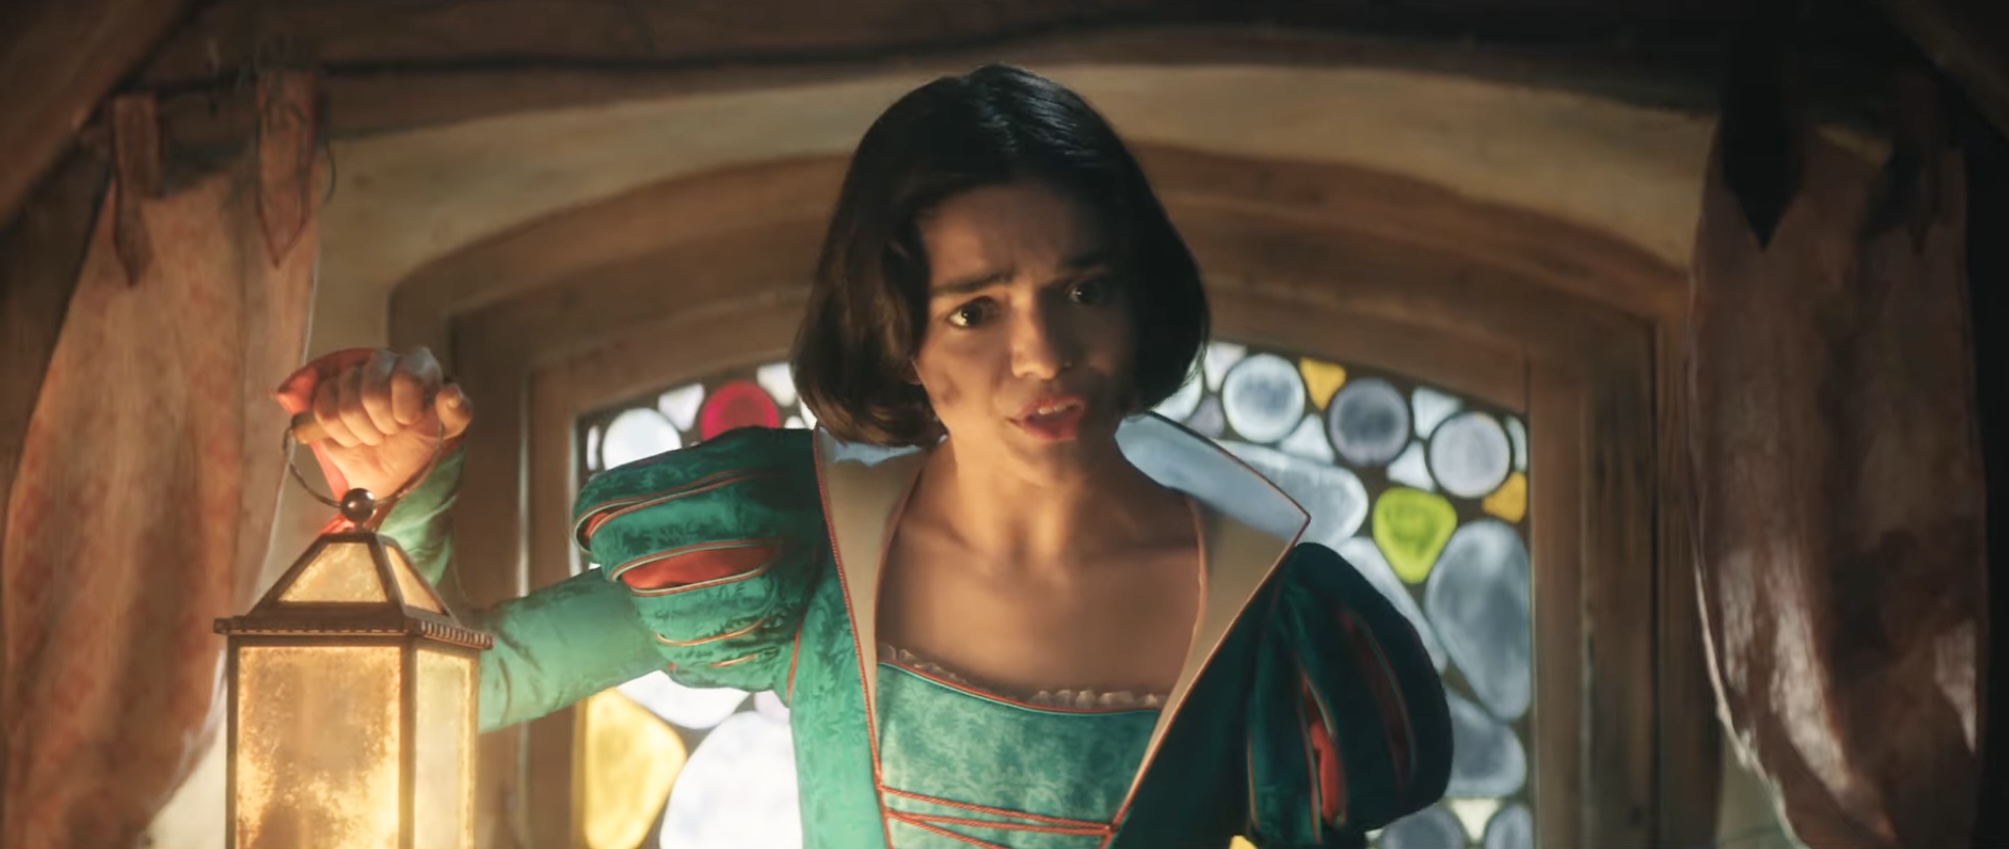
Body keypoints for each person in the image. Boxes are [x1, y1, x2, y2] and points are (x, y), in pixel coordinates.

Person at [279, 64, 1450, 849]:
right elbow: (445, 691)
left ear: (1139, 300)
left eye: (1083, 289)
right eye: (974, 310)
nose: (1044, 355)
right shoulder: (800, 551)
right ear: (899, 343)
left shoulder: (1283, 624)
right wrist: (394, 492)